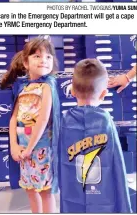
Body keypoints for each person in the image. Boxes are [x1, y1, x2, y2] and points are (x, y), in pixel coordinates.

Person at [59, 59, 131, 213]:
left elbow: (57, 158)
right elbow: (117, 163)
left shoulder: (64, 120)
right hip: (102, 193)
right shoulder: (105, 120)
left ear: (72, 91)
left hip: (73, 193)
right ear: (104, 94)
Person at [0, 37, 60, 214]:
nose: (44, 60)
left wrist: (29, 149)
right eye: (37, 56)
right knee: (30, 189)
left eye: (48, 57)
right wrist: (14, 146)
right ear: (26, 62)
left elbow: (43, 120)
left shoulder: (47, 87)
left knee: (45, 191)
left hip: (40, 149)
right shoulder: (24, 88)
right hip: (23, 149)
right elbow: (13, 119)